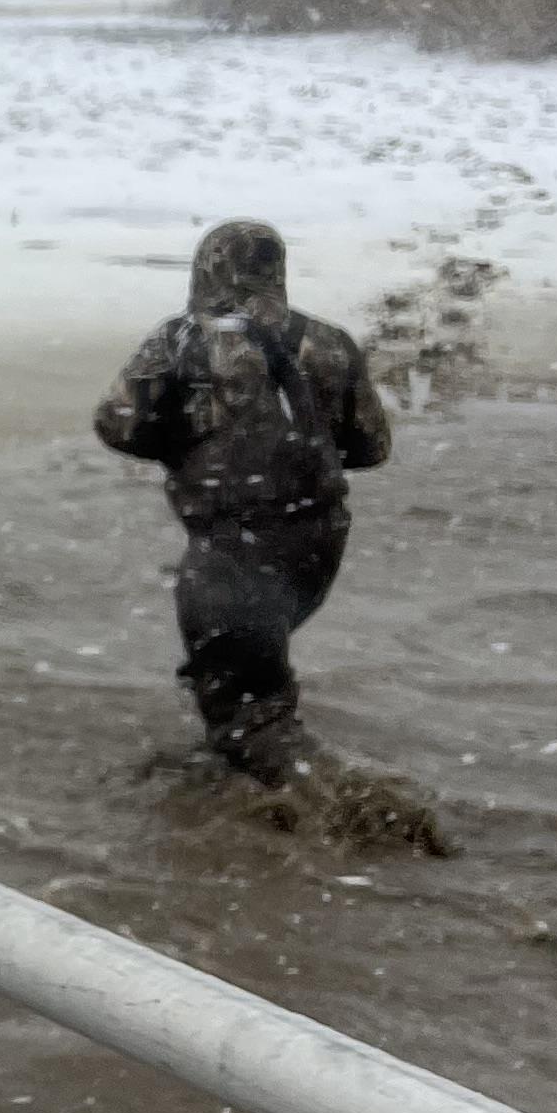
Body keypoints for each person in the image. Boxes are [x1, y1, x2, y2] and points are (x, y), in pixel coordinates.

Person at [94, 217, 390, 780]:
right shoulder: (331, 343)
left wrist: (188, 443)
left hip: (234, 545)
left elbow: (117, 425)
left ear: (205, 270)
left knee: (243, 710)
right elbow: (371, 447)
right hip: (318, 543)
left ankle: (319, 808)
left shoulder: (181, 340)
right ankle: (249, 794)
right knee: (249, 676)